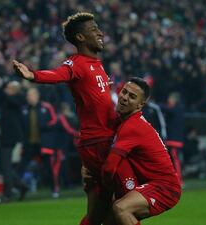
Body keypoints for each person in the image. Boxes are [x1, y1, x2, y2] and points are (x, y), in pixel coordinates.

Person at [13, 12, 138, 225]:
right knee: (127, 201)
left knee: (101, 211)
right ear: (80, 38)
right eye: (93, 29)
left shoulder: (97, 65)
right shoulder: (77, 63)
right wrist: (33, 75)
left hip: (104, 140)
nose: (100, 32)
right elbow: (58, 74)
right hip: (98, 143)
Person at [101, 78, 182, 225]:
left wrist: (103, 186)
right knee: (109, 220)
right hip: (149, 183)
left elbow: (110, 166)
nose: (124, 97)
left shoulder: (132, 126)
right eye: (124, 92)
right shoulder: (126, 122)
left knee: (121, 209)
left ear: (140, 105)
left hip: (164, 187)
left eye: (132, 96)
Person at [21, 87, 58, 197]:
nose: (29, 98)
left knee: (48, 168)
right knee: (24, 166)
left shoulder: (46, 107)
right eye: (28, 96)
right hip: (30, 144)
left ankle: (54, 189)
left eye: (30, 95)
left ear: (37, 96)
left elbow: (54, 120)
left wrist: (45, 126)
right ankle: (22, 188)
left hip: (44, 144)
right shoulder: (24, 109)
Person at [0, 81, 28, 202]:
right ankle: (21, 186)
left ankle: (7, 194)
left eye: (9, 88)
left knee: (6, 166)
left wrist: (3, 92)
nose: (6, 90)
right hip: (5, 136)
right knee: (5, 166)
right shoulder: (7, 99)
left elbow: (11, 100)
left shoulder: (19, 98)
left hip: (11, 137)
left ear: (15, 90)